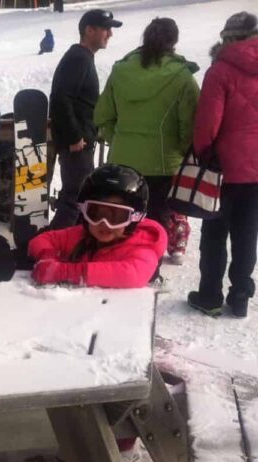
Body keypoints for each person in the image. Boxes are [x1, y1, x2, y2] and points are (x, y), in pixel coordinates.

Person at [94, 17, 199, 273]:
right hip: (164, 162)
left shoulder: (121, 71)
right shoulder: (182, 77)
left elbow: (102, 116)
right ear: (173, 42)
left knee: (125, 215)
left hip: (123, 160)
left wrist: (117, 139)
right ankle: (147, 268)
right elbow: (190, 125)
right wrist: (185, 152)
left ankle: (122, 261)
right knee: (157, 219)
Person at [187, 12, 258, 318]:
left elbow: (207, 124)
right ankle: (240, 296)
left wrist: (203, 154)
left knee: (215, 232)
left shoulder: (220, 70)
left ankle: (210, 296)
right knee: (247, 233)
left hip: (224, 168)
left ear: (228, 38)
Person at [29, 164, 167, 288]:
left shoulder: (143, 246)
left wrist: (64, 272)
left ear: (134, 219)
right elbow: (41, 240)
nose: (104, 223)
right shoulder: (81, 235)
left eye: (117, 216)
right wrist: (48, 257)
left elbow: (132, 274)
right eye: (95, 213)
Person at [49, 9, 122, 230]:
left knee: (77, 198)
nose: (110, 34)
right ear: (89, 30)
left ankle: (63, 246)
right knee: (75, 199)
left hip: (80, 141)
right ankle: (54, 248)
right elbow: (61, 99)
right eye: (105, 29)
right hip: (77, 144)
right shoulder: (78, 58)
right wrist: (74, 137)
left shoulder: (82, 57)